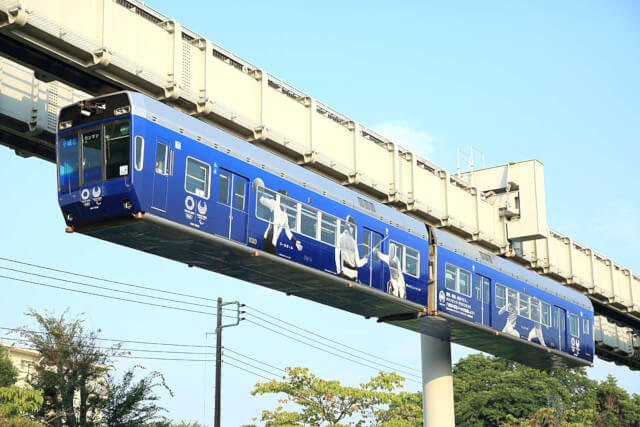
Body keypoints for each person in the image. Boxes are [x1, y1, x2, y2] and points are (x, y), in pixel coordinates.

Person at [254, 178, 303, 255]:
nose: (285, 202)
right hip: (268, 238)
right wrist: (258, 190)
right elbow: (261, 200)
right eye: (284, 199)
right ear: (280, 199)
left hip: (273, 242)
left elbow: (288, 232)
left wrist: (295, 241)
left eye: (286, 201)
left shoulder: (285, 216)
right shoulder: (274, 204)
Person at [335, 215, 367, 281]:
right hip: (354, 275)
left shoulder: (340, 237)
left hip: (344, 273)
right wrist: (364, 260)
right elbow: (358, 263)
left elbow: (337, 256)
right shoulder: (353, 242)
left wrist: (338, 272)